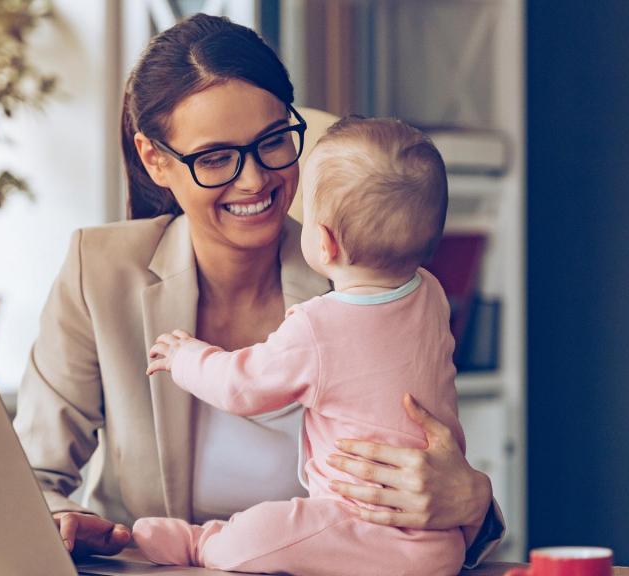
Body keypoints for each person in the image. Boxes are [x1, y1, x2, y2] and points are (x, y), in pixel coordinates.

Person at [12, 13, 504, 568]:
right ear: (156, 159)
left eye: (273, 142)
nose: (254, 180)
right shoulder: (99, 271)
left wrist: (472, 499)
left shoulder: (367, 275)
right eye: (216, 158)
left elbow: (431, 457)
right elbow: (29, 475)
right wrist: (62, 522)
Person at [131, 116, 465, 576]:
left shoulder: (319, 325)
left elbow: (241, 385)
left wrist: (185, 356)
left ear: (323, 242)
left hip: (354, 519)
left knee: (265, 532)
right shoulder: (430, 294)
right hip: (440, 545)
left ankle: (201, 542)